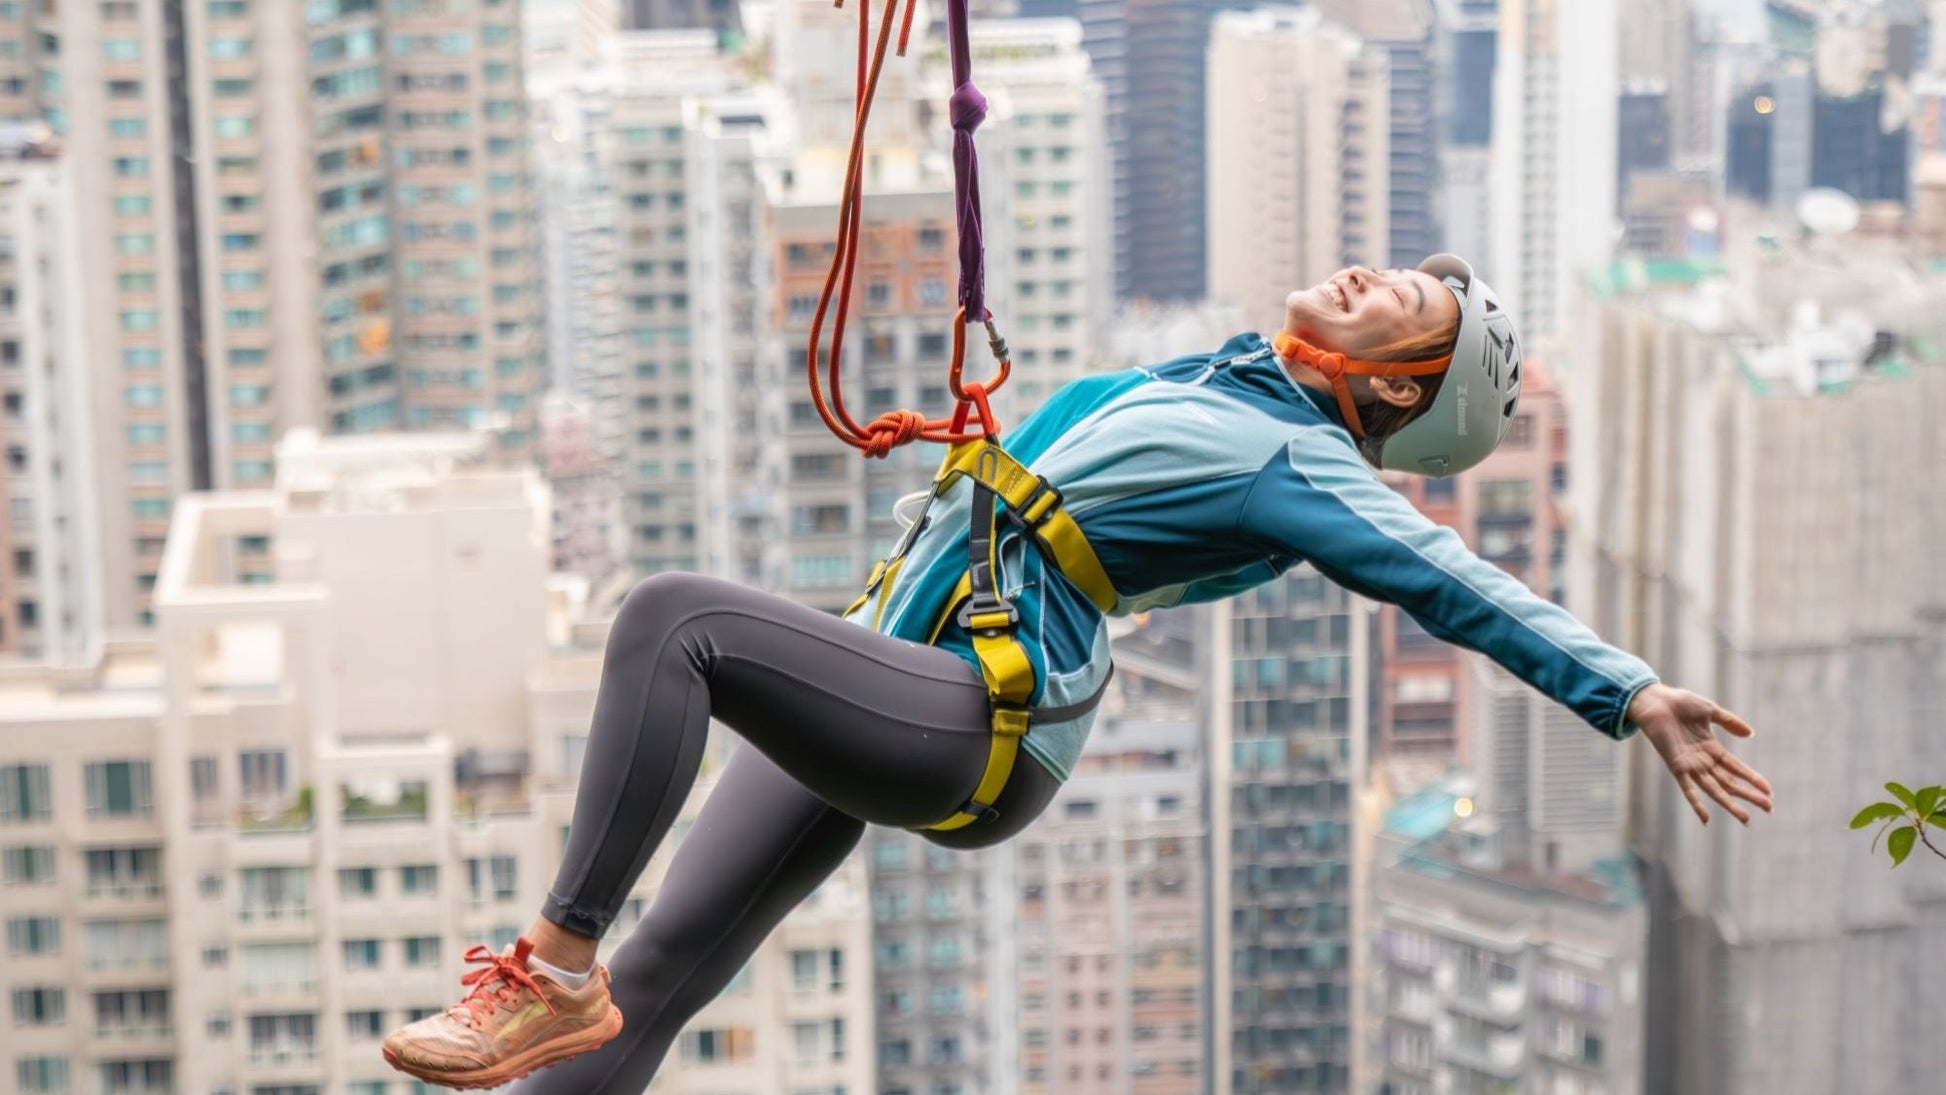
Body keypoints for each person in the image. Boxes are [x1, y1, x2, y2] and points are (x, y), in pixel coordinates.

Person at [381, 255, 1774, 1091]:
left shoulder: (1305, 463)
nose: (1362, 274)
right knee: (665, 973)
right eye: (1387, 266)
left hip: (970, 723)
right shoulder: (1231, 389)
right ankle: (578, 993)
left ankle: (547, 963)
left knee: (673, 621)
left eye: (1396, 300)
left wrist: (1624, 687)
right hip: (900, 670)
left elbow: (1448, 579)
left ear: (1396, 387)